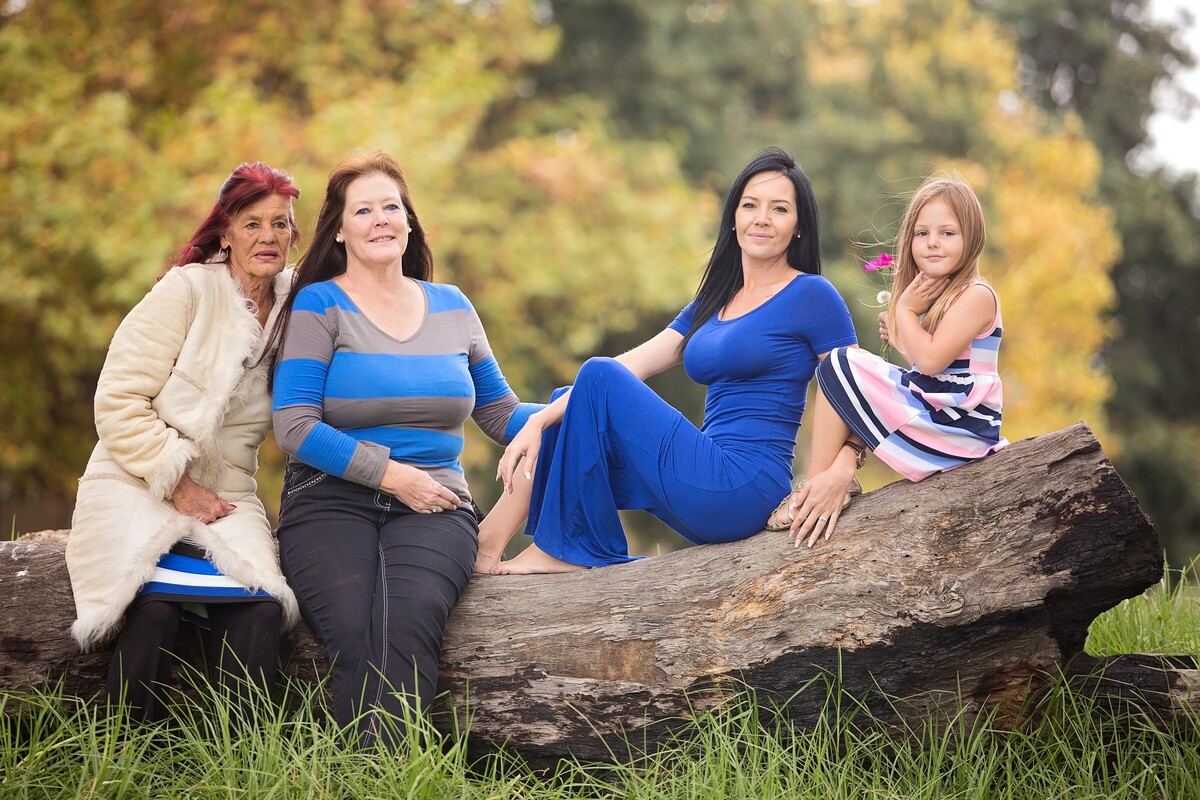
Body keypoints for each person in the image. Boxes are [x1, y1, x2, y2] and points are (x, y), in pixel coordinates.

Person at [477, 146, 858, 575]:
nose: (762, 218)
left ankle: (564, 551)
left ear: (799, 226)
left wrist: (840, 469)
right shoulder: (713, 302)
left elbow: (857, 384)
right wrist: (539, 421)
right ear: (733, 217)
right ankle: (486, 548)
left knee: (594, 376)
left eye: (780, 209)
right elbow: (634, 364)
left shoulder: (811, 294)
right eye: (750, 205)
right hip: (704, 476)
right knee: (570, 402)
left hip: (744, 485)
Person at [270, 151, 539, 747]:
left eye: (391, 207)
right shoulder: (319, 305)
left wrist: (570, 408)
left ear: (409, 221)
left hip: (437, 504)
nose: (380, 220)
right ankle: (373, 775)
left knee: (408, 622)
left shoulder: (453, 306)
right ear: (340, 231)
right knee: (351, 629)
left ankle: (382, 774)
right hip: (329, 499)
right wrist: (393, 476)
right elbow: (293, 425)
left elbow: (500, 414)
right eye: (362, 211)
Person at [65, 162, 302, 723]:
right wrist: (178, 483)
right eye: (252, 223)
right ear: (226, 232)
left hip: (229, 495)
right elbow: (117, 402)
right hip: (137, 479)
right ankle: (124, 756)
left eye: (280, 223)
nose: (268, 236)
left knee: (261, 611)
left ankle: (243, 757)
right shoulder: (188, 289)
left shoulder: (299, 304)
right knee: (153, 609)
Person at [769, 175, 1008, 548]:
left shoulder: (977, 295)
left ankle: (814, 490)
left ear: (972, 238)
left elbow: (931, 363)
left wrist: (906, 313)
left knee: (841, 364)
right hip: (940, 412)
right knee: (838, 369)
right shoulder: (942, 297)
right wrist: (904, 336)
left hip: (960, 428)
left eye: (947, 233)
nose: (932, 242)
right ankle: (820, 484)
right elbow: (936, 367)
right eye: (922, 233)